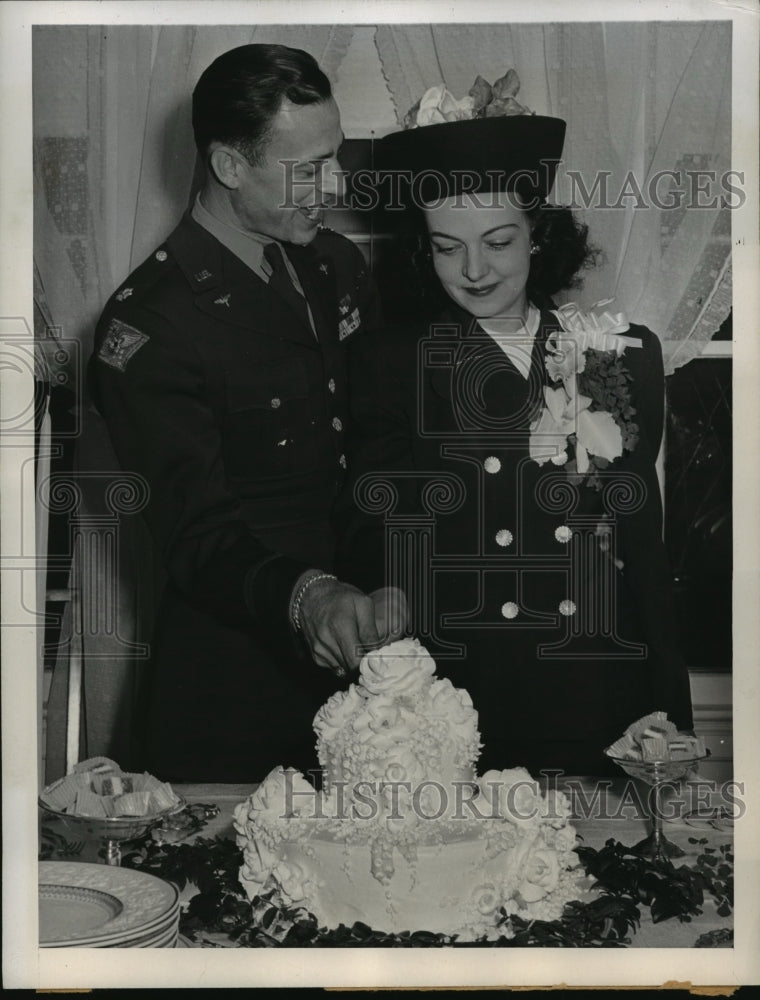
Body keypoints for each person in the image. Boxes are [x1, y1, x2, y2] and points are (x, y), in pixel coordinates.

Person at [337, 98, 694, 777]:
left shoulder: (618, 354)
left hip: (597, 690)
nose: (474, 270)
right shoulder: (390, 363)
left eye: (498, 241)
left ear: (537, 235)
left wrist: (666, 710)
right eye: (448, 247)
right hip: (460, 696)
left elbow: (640, 553)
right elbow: (372, 522)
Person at [89, 44, 401, 782]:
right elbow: (197, 536)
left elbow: (372, 444)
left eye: (337, 156)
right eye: (308, 168)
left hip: (364, 678)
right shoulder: (151, 326)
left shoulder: (332, 265)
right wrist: (309, 596)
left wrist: (385, 573)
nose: (334, 184)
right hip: (231, 690)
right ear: (229, 166)